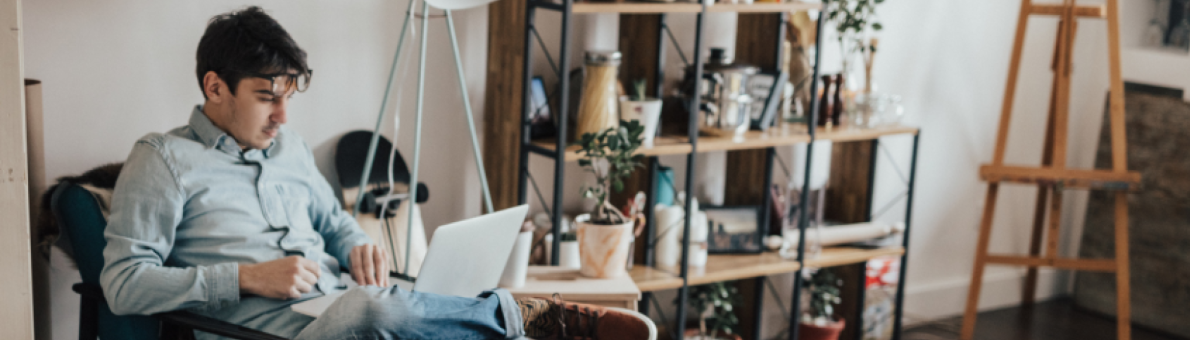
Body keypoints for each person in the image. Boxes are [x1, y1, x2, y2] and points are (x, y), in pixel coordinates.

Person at [99, 6, 649, 340]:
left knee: (386, 297)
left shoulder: (286, 147)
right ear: (215, 87)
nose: (284, 117)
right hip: (277, 332)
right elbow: (123, 285)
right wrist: (246, 277)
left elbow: (334, 224)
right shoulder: (163, 160)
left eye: (288, 98)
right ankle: (527, 316)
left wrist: (358, 243)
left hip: (348, 308)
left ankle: (515, 322)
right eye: (267, 98)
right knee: (372, 305)